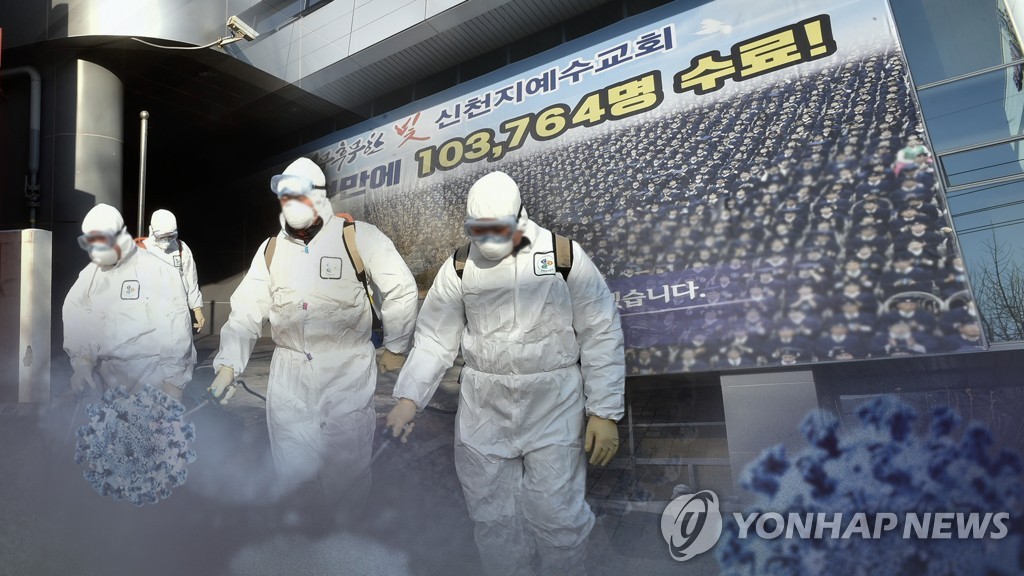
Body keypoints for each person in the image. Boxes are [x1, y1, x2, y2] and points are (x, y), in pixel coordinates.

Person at [385, 171, 625, 576]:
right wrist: (409, 400)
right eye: (479, 230)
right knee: (493, 517)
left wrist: (604, 410)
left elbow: (600, 329)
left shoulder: (561, 254)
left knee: (558, 516)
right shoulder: (461, 265)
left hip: (553, 402)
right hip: (484, 406)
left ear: (519, 217)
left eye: (498, 228)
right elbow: (435, 339)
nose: (489, 238)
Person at [209, 157, 418, 513]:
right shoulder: (272, 249)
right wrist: (228, 365)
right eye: (285, 196)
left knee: (346, 472)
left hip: (346, 374)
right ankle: (299, 539)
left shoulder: (358, 237)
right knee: (292, 472)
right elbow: (246, 310)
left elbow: (400, 288)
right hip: (289, 378)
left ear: (320, 195)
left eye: (300, 194)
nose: (291, 203)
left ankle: (345, 538)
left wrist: (396, 346)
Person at [62, 203, 195, 399]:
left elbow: (176, 327)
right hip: (105, 374)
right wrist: (82, 363)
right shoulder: (91, 275)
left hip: (151, 375)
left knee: (148, 418)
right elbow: (76, 316)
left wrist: (173, 382)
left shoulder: (159, 270)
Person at [140, 209, 206, 332]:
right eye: (162, 237)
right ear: (152, 231)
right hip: (149, 313)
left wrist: (197, 308)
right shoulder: (141, 249)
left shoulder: (181, 248)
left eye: (171, 236)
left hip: (178, 313)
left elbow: (191, 280)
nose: (167, 240)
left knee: (179, 342)